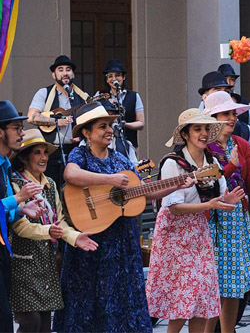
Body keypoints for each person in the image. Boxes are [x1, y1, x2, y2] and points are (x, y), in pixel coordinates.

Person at [53, 102, 195, 333]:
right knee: (89, 300)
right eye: (102, 126)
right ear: (87, 133)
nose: (109, 130)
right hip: (93, 243)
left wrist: (176, 183)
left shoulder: (121, 160)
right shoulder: (79, 154)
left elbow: (145, 192)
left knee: (123, 301)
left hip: (121, 245)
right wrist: (108, 180)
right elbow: (71, 174)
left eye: (110, 125)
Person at [146, 108, 244, 333]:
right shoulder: (173, 163)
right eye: (197, 129)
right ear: (186, 134)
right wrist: (209, 206)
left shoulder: (213, 161)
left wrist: (227, 200)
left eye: (206, 129)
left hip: (199, 233)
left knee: (201, 302)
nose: (203, 133)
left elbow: (219, 196)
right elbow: (174, 207)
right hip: (175, 235)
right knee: (183, 303)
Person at [9, 129, 98, 333]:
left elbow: (60, 222)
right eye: (37, 153)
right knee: (30, 322)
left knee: (45, 326)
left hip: (47, 262)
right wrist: (49, 231)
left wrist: (75, 237)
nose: (43, 158)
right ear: (23, 158)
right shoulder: (16, 184)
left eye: (45, 152)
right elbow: (19, 225)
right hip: (23, 263)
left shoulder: (50, 185)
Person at [203, 91, 250, 333]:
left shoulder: (242, 144)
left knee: (234, 285)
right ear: (213, 117)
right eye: (225, 113)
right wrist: (230, 167)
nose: (231, 118)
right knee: (214, 285)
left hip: (237, 218)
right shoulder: (204, 146)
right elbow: (205, 185)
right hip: (213, 219)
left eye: (233, 114)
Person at [0, 101, 45, 333]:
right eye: (16, 128)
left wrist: (20, 210)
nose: (22, 133)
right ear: (0, 132)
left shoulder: (5, 164)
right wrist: (17, 200)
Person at [27, 55, 89, 188]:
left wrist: (83, 137)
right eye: (60, 70)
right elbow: (32, 117)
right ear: (54, 75)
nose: (65, 73)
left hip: (77, 151)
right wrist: (55, 121)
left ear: (73, 74)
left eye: (68, 69)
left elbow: (91, 123)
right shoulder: (44, 93)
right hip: (50, 152)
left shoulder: (83, 97)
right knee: (51, 188)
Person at [97, 59, 144, 155]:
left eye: (117, 75)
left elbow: (141, 123)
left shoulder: (134, 96)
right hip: (105, 145)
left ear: (123, 77)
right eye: (110, 76)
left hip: (128, 144)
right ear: (106, 79)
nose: (114, 79)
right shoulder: (100, 95)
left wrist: (125, 124)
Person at [198, 71, 250, 146]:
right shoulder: (193, 127)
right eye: (217, 90)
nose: (232, 118)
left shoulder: (244, 130)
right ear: (204, 97)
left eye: (226, 91)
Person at [217, 63, 250, 137]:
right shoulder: (210, 101)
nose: (228, 83)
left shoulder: (244, 102)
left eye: (232, 80)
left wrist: (249, 141)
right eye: (225, 79)